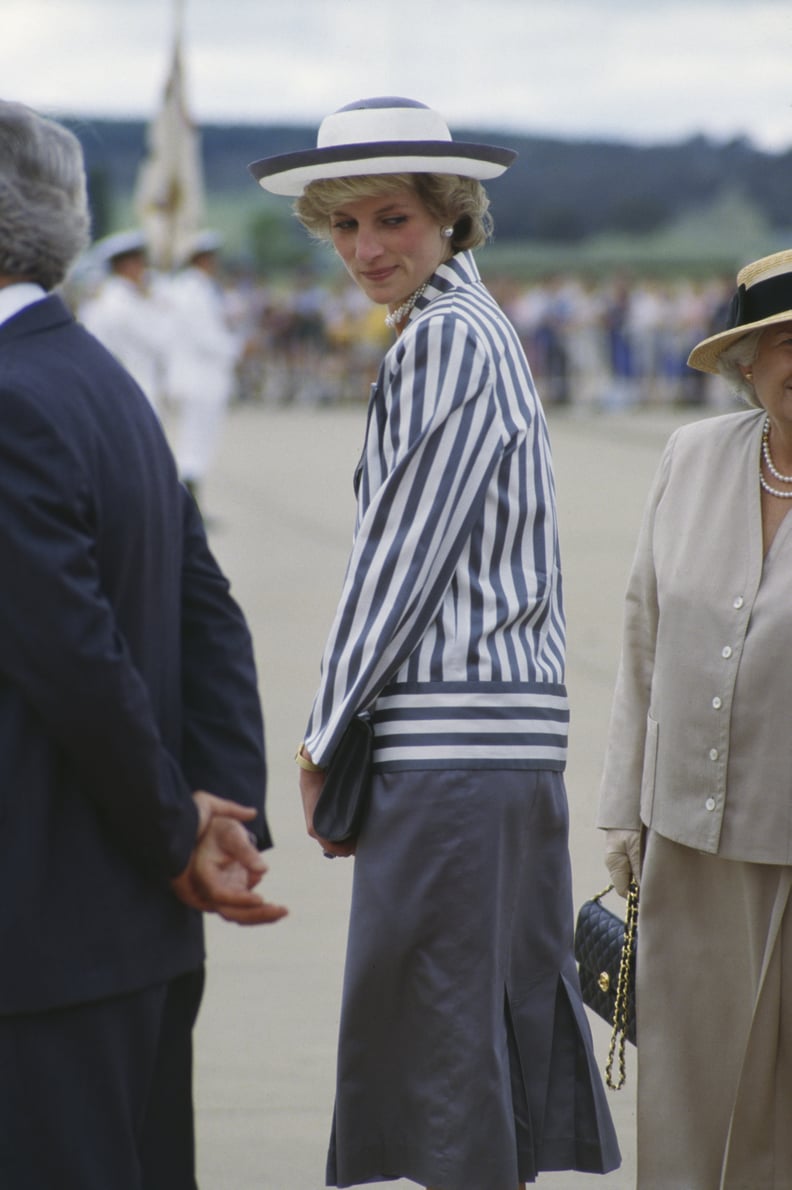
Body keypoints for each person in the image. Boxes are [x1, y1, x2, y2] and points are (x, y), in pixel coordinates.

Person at [250, 96, 620, 1190]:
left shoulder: (447, 340)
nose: (367, 248)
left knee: (448, 1044)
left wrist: (322, 738)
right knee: (473, 1037)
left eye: (393, 218)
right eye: (346, 225)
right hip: (494, 746)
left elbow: (395, 562)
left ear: (452, 215)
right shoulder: (470, 326)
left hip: (456, 749)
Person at [0, 100, 287, 1190]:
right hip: (133, 926)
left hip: (42, 938)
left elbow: (71, 658)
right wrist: (222, 799)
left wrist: (183, 827)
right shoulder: (95, 376)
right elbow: (205, 604)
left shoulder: (12, 397)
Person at [598, 247, 792, 1188]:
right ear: (745, 362)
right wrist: (622, 808)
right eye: (783, 340)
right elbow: (642, 633)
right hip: (686, 837)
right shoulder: (692, 457)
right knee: (686, 1087)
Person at [165, 229, 243, 509]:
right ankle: (188, 507)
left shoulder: (197, 288)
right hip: (198, 377)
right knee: (194, 444)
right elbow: (205, 336)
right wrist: (237, 348)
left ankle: (191, 506)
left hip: (201, 376)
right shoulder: (192, 291)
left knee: (198, 443)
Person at [79, 228, 171, 412]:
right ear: (125, 267)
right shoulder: (126, 303)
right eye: (139, 263)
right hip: (136, 389)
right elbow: (160, 342)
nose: (143, 269)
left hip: (114, 392)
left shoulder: (103, 300)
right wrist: (161, 307)